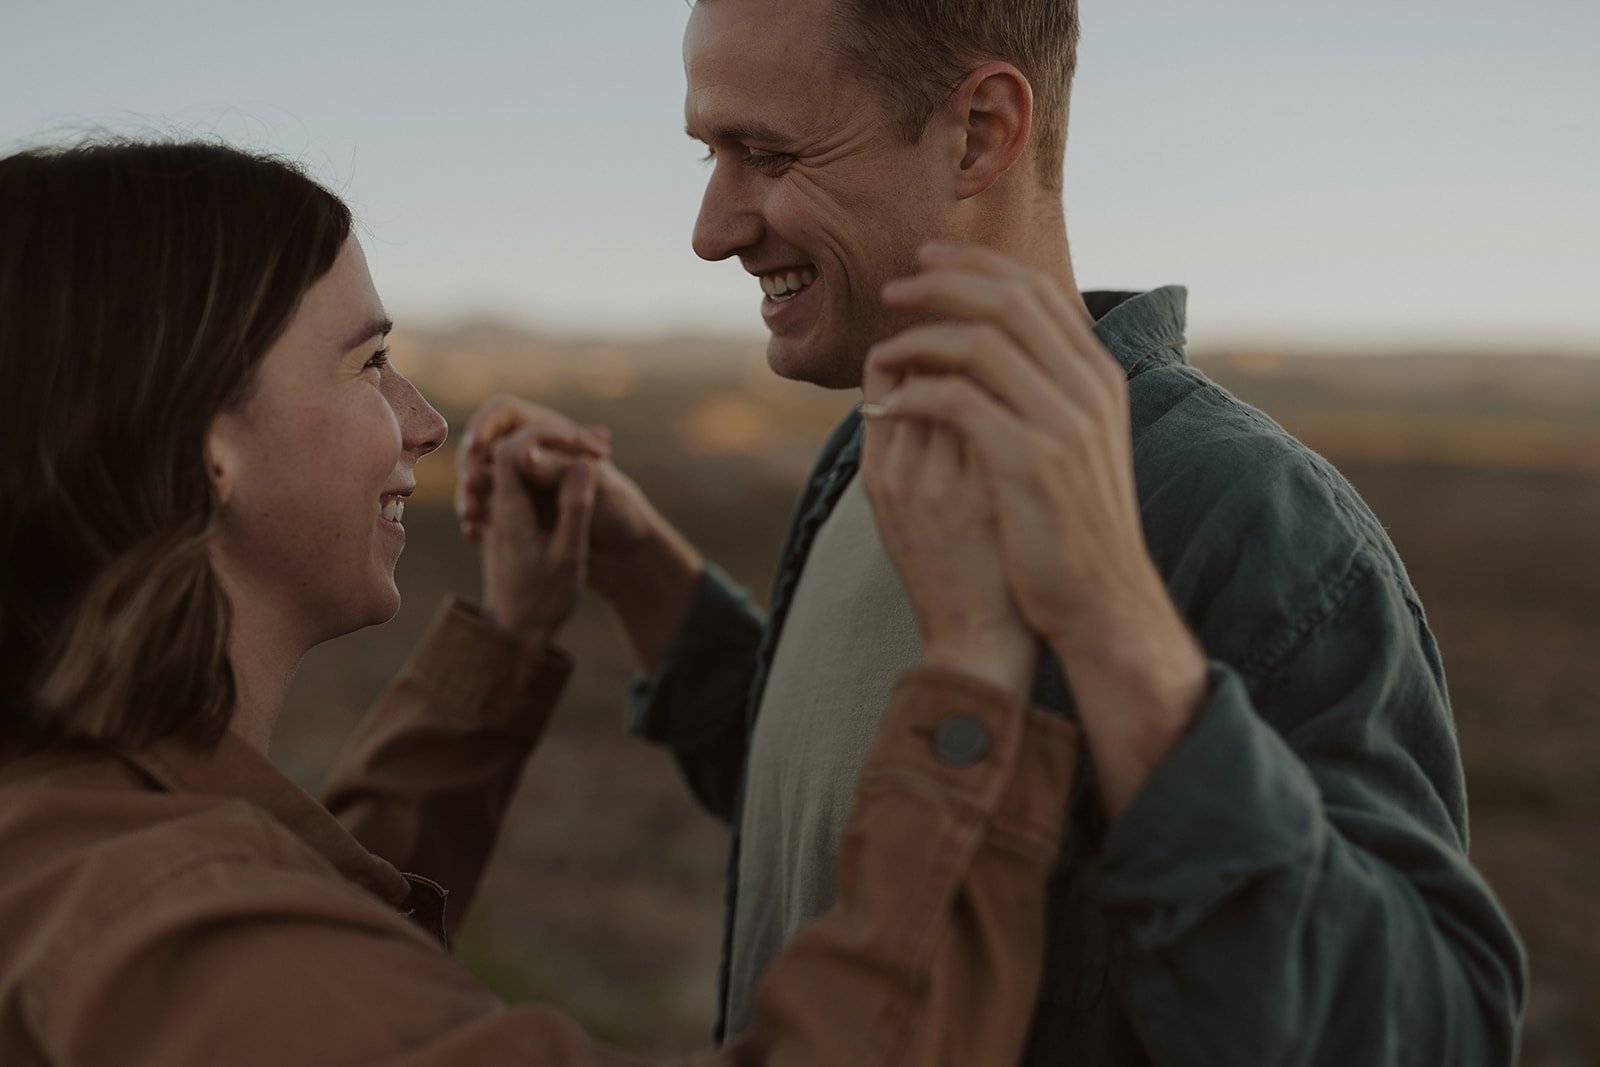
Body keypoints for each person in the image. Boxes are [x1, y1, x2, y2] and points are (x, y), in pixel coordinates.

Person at [457, 0, 1528, 1063]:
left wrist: (1115, 628)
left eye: (766, 154)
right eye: (709, 155)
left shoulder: (1248, 522)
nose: (712, 229)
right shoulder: (871, 442)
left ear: (979, 131)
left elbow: (1434, 1034)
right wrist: (640, 567)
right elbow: (849, 796)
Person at [0, 138, 1084, 1066]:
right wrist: (975, 665)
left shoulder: (86, 836)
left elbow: (316, 936)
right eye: (368, 363)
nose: (424, 423)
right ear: (206, 446)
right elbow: (261, 959)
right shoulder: (151, 924)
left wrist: (511, 636)